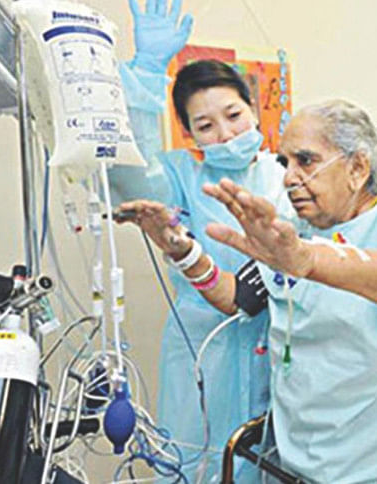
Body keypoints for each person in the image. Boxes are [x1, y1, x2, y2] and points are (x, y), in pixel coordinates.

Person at [119, 100, 377, 483]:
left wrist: (309, 260)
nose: (288, 178)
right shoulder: (297, 233)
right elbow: (235, 297)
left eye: (306, 161)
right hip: (296, 463)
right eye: (285, 163)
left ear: (357, 168)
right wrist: (182, 252)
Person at [111, 1, 277, 480]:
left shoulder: (284, 176)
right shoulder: (182, 177)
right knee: (194, 457)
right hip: (202, 348)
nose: (225, 133)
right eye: (206, 126)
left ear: (253, 109)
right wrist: (147, 71)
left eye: (234, 115)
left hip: (275, 345)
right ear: (189, 135)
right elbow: (135, 177)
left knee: (267, 458)